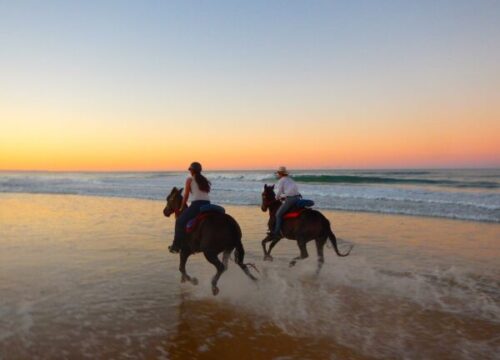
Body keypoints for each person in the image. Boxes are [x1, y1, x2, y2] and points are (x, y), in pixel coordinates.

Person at [168, 162, 211, 253]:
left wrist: (181, 208)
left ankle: (176, 246)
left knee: (179, 221)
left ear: (192, 170)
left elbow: (186, 196)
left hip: (197, 205)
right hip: (207, 204)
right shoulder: (204, 179)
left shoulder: (189, 180)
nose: (189, 171)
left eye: (190, 169)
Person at [270, 166, 301, 239]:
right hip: (297, 198)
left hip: (290, 199)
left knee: (278, 214)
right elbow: (291, 191)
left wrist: (276, 198)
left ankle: (276, 232)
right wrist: (284, 196)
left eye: (278, 173)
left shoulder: (281, 180)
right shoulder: (290, 179)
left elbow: (279, 191)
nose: (278, 174)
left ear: (280, 173)